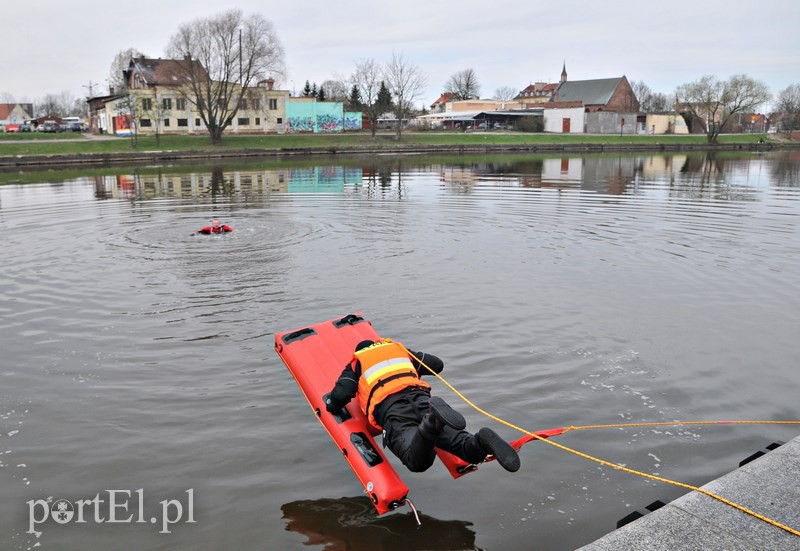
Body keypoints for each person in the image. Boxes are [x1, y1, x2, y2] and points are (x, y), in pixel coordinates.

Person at [325, 338, 520, 473]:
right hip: (423, 401)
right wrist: (410, 356)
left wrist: (331, 405)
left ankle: (431, 424)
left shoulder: (358, 361)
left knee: (417, 462)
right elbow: (437, 365)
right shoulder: (399, 351)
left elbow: (341, 395)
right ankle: (480, 441)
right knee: (465, 448)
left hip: (394, 411)